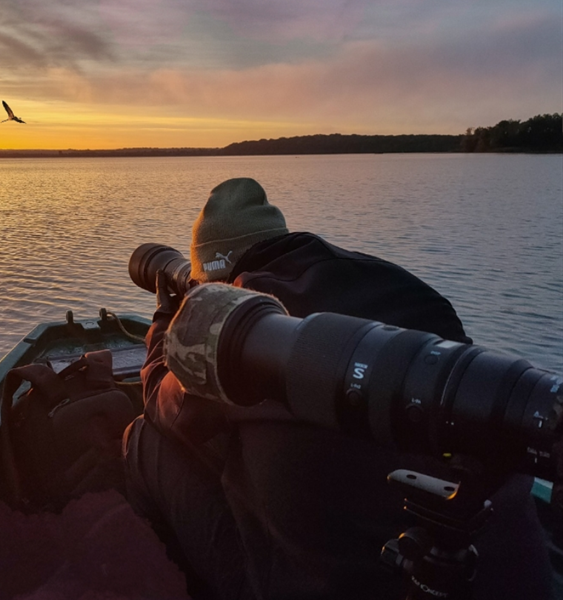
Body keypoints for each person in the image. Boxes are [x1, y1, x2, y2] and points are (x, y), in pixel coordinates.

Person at [123, 178, 553, 599]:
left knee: (143, 438)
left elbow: (163, 406)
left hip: (332, 582)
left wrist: (166, 323)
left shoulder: (232, 330)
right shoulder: (401, 285)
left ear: (209, 285)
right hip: (493, 569)